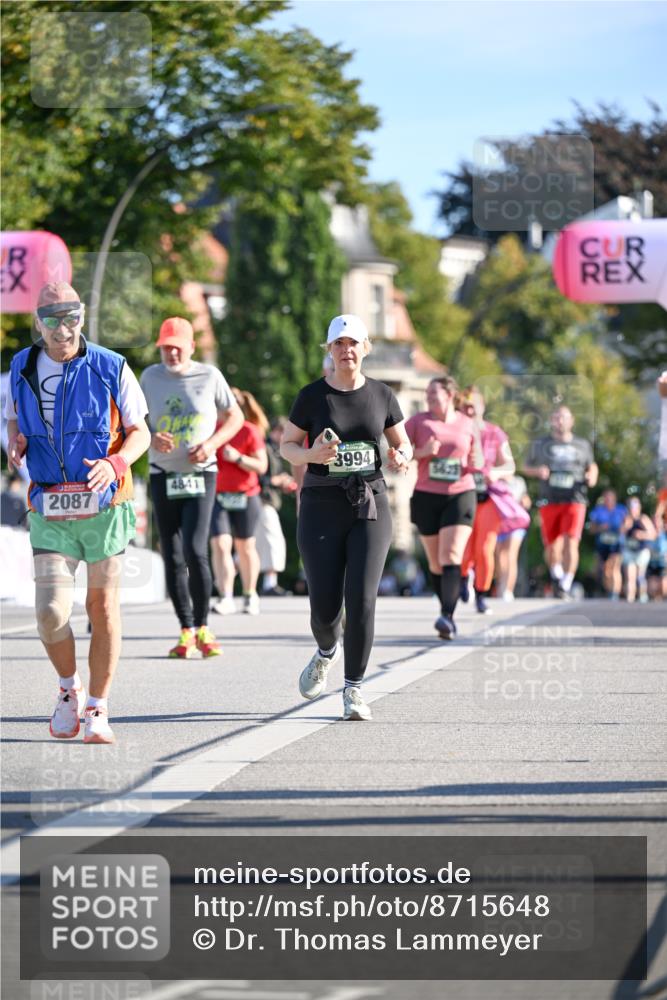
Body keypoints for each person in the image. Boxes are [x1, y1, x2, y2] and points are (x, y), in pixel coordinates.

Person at [6, 281, 150, 744]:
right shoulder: (21, 366)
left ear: (82, 317)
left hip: (106, 506)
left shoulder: (112, 366)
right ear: (37, 323)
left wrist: (116, 462)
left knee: (101, 606)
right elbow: (13, 414)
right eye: (52, 318)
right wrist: (17, 437)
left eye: (70, 316)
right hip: (50, 504)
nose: (62, 327)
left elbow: (139, 432)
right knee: (49, 612)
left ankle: (98, 708)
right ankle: (69, 689)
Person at [280, 314, 411, 721]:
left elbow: (402, 442)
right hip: (321, 506)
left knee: (362, 599)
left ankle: (354, 689)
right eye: (339, 344)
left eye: (353, 343)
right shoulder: (312, 396)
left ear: (365, 349)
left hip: (369, 503)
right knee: (324, 609)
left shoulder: (382, 395)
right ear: (330, 351)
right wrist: (310, 455)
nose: (346, 350)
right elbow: (287, 445)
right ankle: (325, 652)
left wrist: (400, 457)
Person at [140, 318, 243, 656]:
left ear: (191, 348)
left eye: (177, 347)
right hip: (162, 472)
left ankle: (204, 628)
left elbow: (236, 418)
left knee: (196, 550)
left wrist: (212, 444)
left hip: (201, 474)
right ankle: (185, 629)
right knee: (170, 553)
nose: (171, 352)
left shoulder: (209, 376)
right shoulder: (150, 377)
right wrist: (150, 435)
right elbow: (134, 420)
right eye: (165, 347)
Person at [405, 376, 480, 639]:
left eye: (434, 393)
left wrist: (476, 462)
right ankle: (445, 608)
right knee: (436, 563)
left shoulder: (467, 423)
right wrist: (422, 451)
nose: (428, 398)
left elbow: (478, 457)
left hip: (460, 493)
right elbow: (396, 452)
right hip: (426, 495)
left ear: (449, 395)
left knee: (451, 555)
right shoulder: (418, 422)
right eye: (426, 393)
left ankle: (447, 616)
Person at [524, 405, 598, 599]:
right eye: (556, 417)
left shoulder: (582, 445)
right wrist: (537, 471)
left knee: (571, 542)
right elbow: (525, 466)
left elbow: (592, 466)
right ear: (551, 420)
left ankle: (565, 584)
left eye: (564, 417)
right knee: (551, 546)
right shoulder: (541, 444)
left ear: (571, 420)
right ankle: (556, 575)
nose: (560, 421)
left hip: (575, 499)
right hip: (549, 499)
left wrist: (592, 476)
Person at [210, 388, 268, 616]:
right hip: (217, 496)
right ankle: (225, 596)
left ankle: (250, 593)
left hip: (247, 495)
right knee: (221, 544)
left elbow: (261, 466)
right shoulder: (212, 430)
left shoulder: (249, 431)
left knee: (245, 546)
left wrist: (239, 458)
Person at [458, 386, 516, 613]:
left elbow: (510, 465)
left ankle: (481, 593)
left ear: (482, 407)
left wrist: (497, 473)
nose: (470, 411)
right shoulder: (455, 431)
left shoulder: (495, 432)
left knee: (484, 548)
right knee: (464, 547)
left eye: (474, 406)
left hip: (488, 497)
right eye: (465, 407)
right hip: (462, 494)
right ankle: (463, 577)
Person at [256, 416, 297, 596]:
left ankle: (221, 580)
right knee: (274, 541)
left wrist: (283, 483)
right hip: (262, 500)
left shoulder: (275, 451)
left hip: (265, 500)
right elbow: (258, 478)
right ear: (276, 431)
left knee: (250, 545)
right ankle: (269, 584)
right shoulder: (264, 449)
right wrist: (277, 480)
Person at [495, 475, 531, 601]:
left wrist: (524, 502)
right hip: (499, 522)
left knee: (511, 554)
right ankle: (501, 583)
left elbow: (526, 500)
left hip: (516, 522)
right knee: (500, 555)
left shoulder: (519, 481)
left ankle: (508, 589)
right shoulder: (495, 479)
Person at [588, 489, 627, 600]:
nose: (608, 500)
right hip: (602, 545)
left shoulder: (621, 510)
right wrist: (600, 528)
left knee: (614, 567)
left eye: (610, 498)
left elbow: (628, 523)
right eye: (606, 498)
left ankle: (614, 593)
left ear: (614, 499)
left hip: (617, 544)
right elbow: (591, 529)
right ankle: (610, 590)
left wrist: (622, 528)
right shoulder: (598, 511)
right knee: (605, 570)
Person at [621, 496, 656, 603]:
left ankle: (642, 597)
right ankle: (630, 598)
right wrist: (626, 525)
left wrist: (642, 534)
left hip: (641, 551)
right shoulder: (626, 519)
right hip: (629, 550)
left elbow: (653, 534)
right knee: (630, 577)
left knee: (640, 576)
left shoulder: (643, 519)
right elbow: (620, 534)